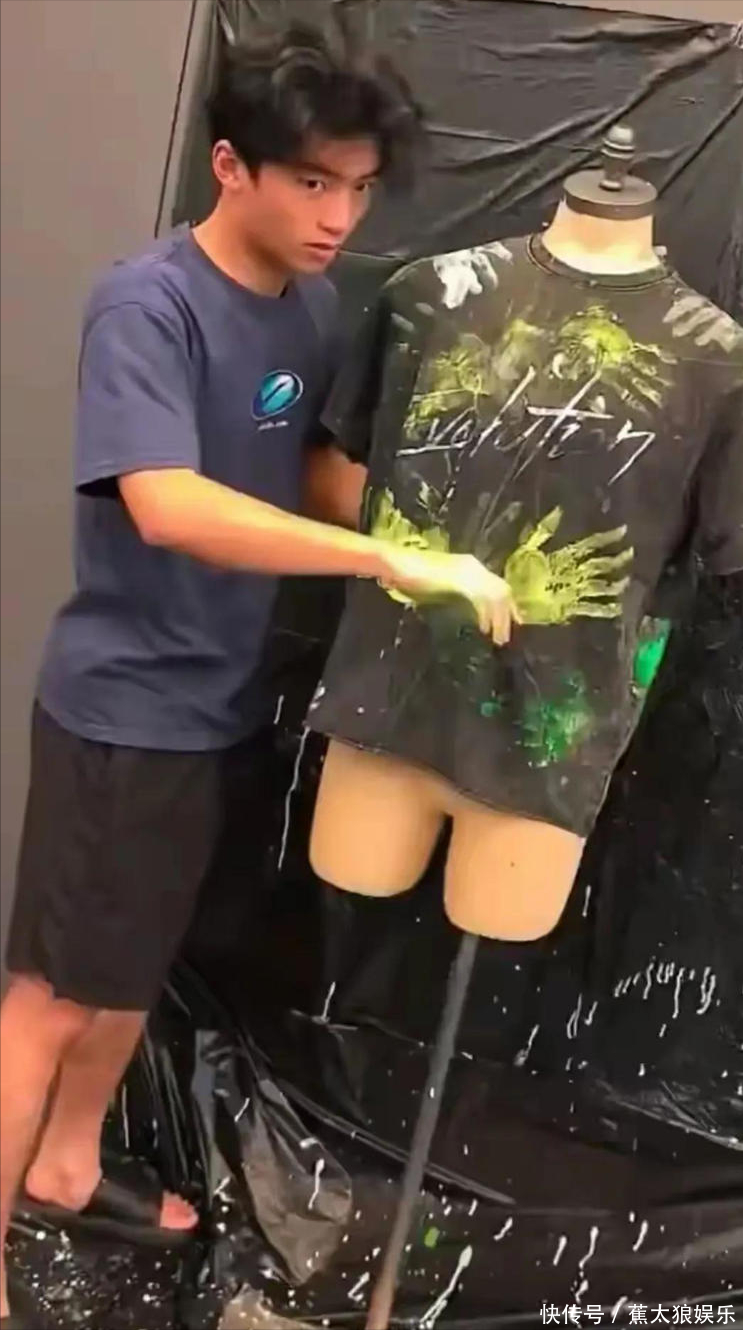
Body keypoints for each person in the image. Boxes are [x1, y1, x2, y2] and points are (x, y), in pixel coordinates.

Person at [0, 21, 515, 1323]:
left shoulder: (308, 305)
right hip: (125, 714)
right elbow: (168, 502)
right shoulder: (149, 302)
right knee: (48, 999)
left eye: (359, 187)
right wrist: (382, 561)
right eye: (312, 182)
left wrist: (435, 533)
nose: (339, 216)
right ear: (230, 166)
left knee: (131, 968)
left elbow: (304, 474)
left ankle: (66, 1166)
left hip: (213, 707)